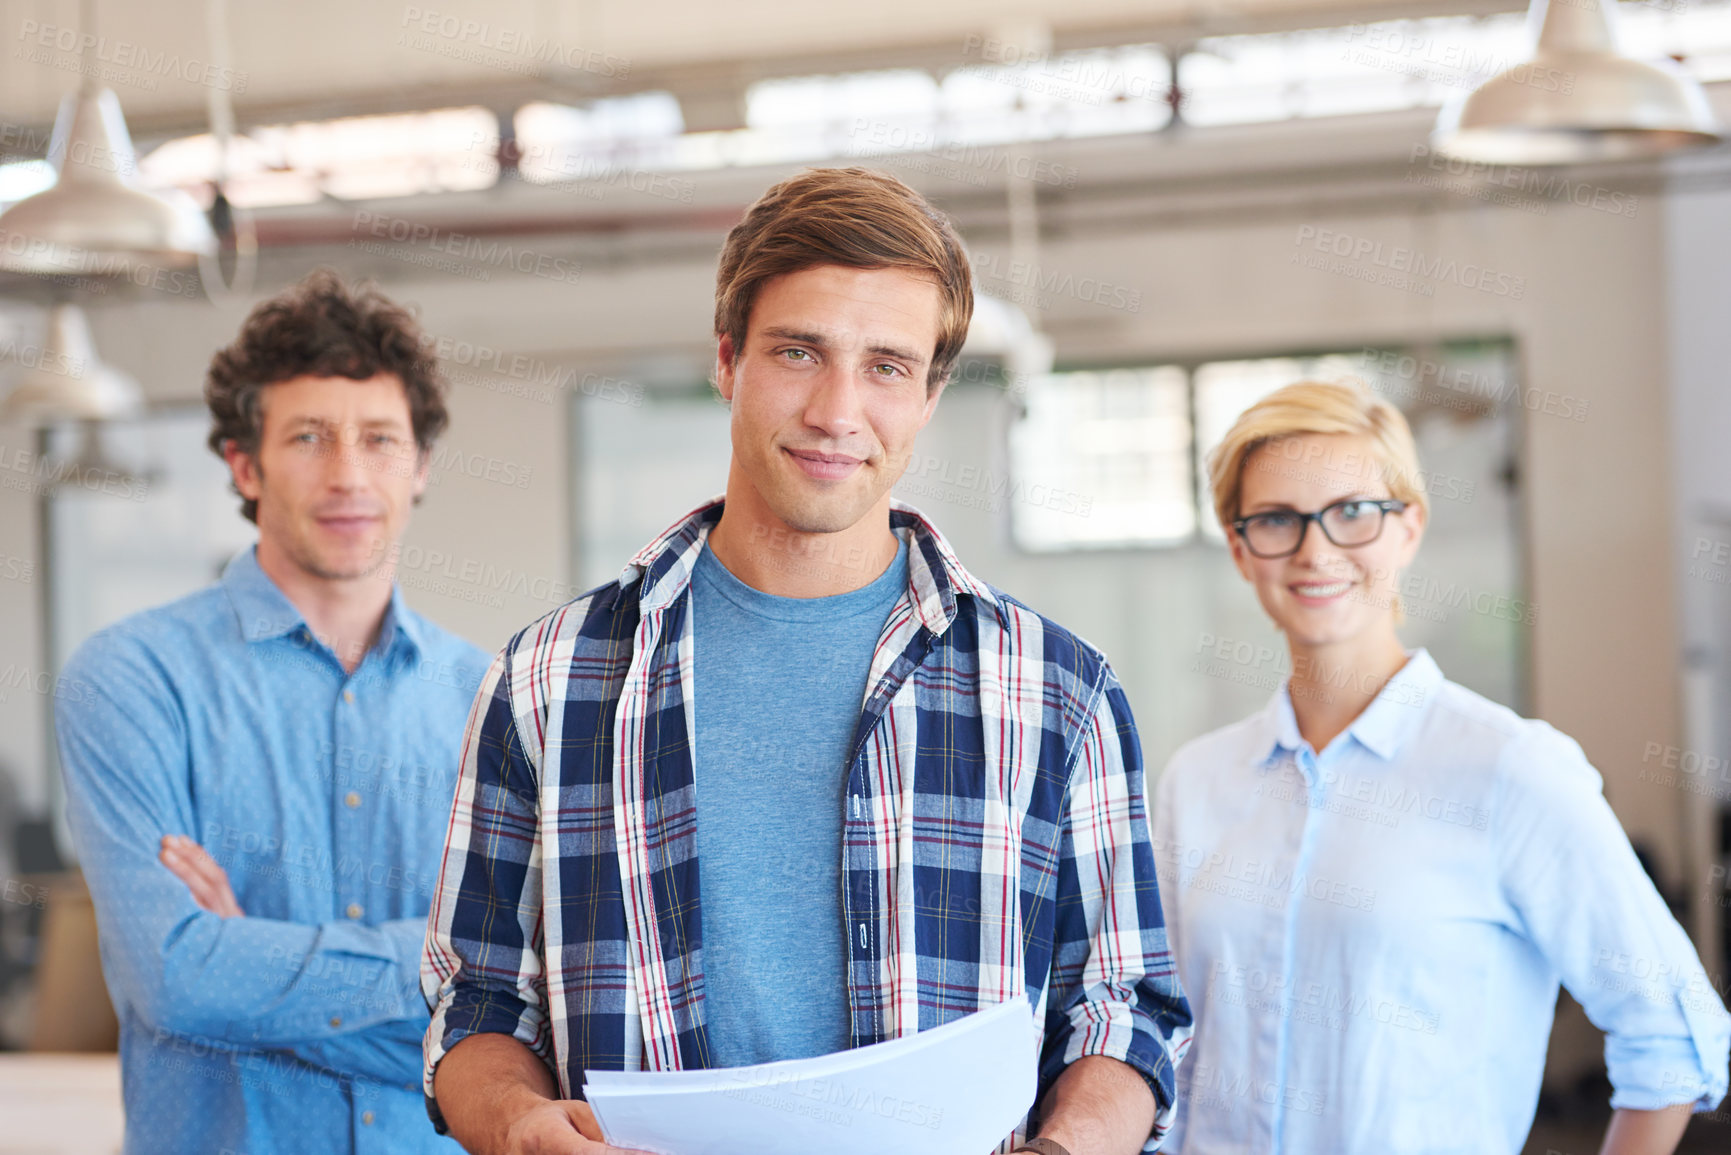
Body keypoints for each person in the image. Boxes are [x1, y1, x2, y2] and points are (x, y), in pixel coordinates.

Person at [421, 166, 1193, 1155]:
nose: (838, 411)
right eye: (799, 352)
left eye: (886, 366)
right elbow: (478, 1004)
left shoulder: (1059, 694)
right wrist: (525, 1129)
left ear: (929, 395)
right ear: (727, 359)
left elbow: (1122, 1010)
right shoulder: (550, 681)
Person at [1154, 379, 1731, 1153]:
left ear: (1407, 528)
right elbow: (1160, 1030)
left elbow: (1672, 1033)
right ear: (1238, 547)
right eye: (1276, 520)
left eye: (1352, 512)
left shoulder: (1510, 770)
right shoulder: (1195, 780)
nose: (1314, 549)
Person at [56, 271, 489, 1154]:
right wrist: (437, 970)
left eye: (378, 438)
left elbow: (533, 1006)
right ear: (244, 465)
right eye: (308, 437)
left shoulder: (494, 700)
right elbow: (172, 980)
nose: (348, 474)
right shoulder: (132, 679)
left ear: (421, 467)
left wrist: (245, 954)